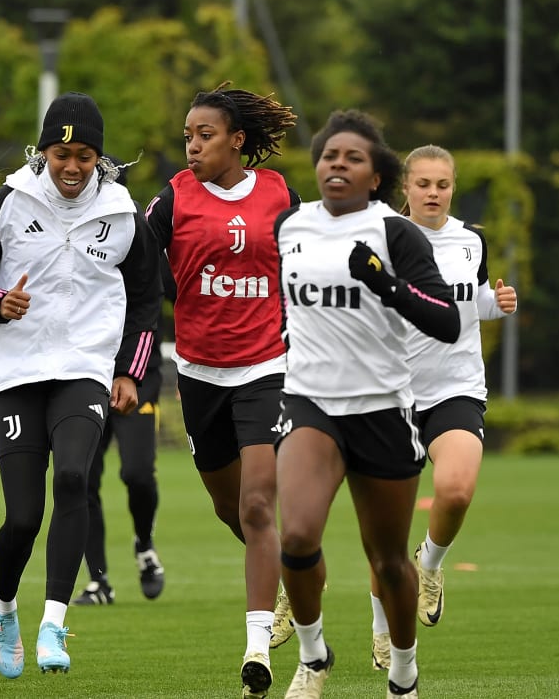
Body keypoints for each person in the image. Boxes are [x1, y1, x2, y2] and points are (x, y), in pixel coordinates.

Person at [0, 92, 163, 678]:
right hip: (15, 373)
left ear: (100, 158)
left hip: (84, 369)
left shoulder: (121, 214)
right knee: (22, 517)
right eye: (62, 154)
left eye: (85, 156)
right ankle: (4, 608)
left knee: (73, 478)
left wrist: (129, 371)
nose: (72, 167)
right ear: (43, 154)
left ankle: (54, 623)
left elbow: (145, 300)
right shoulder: (10, 204)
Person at [272, 110, 459, 699]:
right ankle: (314, 656)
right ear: (317, 165)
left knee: (388, 563)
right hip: (310, 404)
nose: (339, 166)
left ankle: (403, 672)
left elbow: (447, 322)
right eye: (330, 156)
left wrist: (387, 285)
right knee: (297, 538)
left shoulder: (393, 233)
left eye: (353, 159)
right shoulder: (290, 226)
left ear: (376, 176)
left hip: (381, 409)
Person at [143, 83, 299, 698]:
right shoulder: (173, 199)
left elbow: (304, 264)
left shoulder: (280, 194)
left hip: (266, 367)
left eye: (204, 134)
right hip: (199, 373)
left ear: (238, 139)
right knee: (229, 507)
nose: (192, 145)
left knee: (260, 505)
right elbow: (135, 269)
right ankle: (290, 578)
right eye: (187, 135)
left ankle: (258, 646)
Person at [366, 145, 517, 671]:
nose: (433, 193)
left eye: (443, 184)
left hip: (456, 387)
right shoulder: (380, 237)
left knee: (456, 489)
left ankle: (430, 565)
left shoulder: (470, 241)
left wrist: (496, 305)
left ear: (453, 187)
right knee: (388, 530)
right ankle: (382, 628)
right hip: (392, 398)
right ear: (405, 186)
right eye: (424, 184)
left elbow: (470, 302)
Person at [72, 168, 173, 608]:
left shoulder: (135, 229)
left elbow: (159, 296)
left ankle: (145, 546)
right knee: (81, 479)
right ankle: (99, 581)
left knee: (136, 471)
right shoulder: (69, 236)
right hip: (84, 374)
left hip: (137, 374)